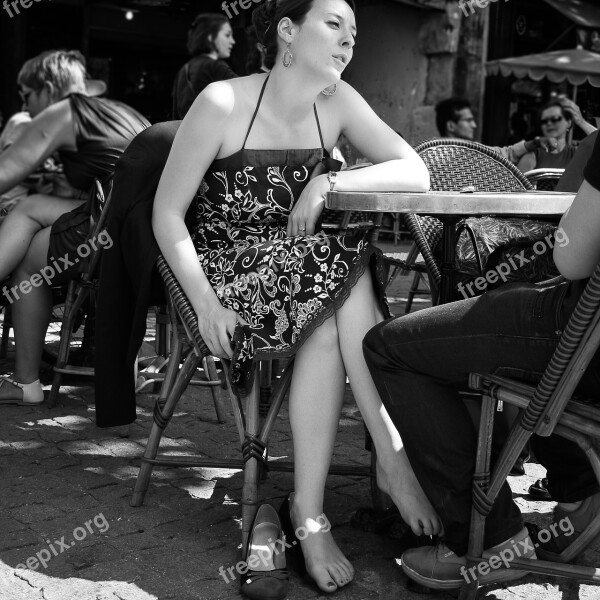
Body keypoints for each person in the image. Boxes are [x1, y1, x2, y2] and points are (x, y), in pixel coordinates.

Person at [153, 0, 441, 593]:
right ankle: (389, 459)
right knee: (344, 265)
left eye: (355, 32)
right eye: (333, 25)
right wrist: (207, 304)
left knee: (334, 287)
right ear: (288, 31)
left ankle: (310, 515)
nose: (348, 42)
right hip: (228, 279)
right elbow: (167, 214)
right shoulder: (222, 101)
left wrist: (329, 180)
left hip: (306, 278)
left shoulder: (336, 99)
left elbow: (416, 171)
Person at [364, 135, 600, 590]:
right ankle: (577, 497)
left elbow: (570, 259)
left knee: (389, 349)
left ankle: (492, 539)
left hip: (584, 344)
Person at [0, 49, 149, 406]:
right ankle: (25, 382)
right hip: (147, 236)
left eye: (27, 96)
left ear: (49, 89)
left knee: (26, 261)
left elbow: (4, 174)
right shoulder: (118, 112)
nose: (25, 107)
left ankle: (25, 383)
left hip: (110, 233)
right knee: (30, 208)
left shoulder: (63, 112)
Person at [435, 96, 556, 165]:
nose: (474, 125)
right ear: (451, 126)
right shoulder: (432, 154)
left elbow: (506, 153)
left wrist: (535, 143)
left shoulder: (473, 149)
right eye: (468, 120)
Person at [172, 13, 237, 119]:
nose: (232, 41)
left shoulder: (184, 69)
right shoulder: (216, 66)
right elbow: (247, 93)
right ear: (210, 38)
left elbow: (175, 114)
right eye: (227, 35)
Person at [517, 98, 597, 172]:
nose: (549, 123)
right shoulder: (533, 156)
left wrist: (581, 122)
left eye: (555, 119)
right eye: (544, 121)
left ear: (568, 123)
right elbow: (518, 186)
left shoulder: (575, 154)